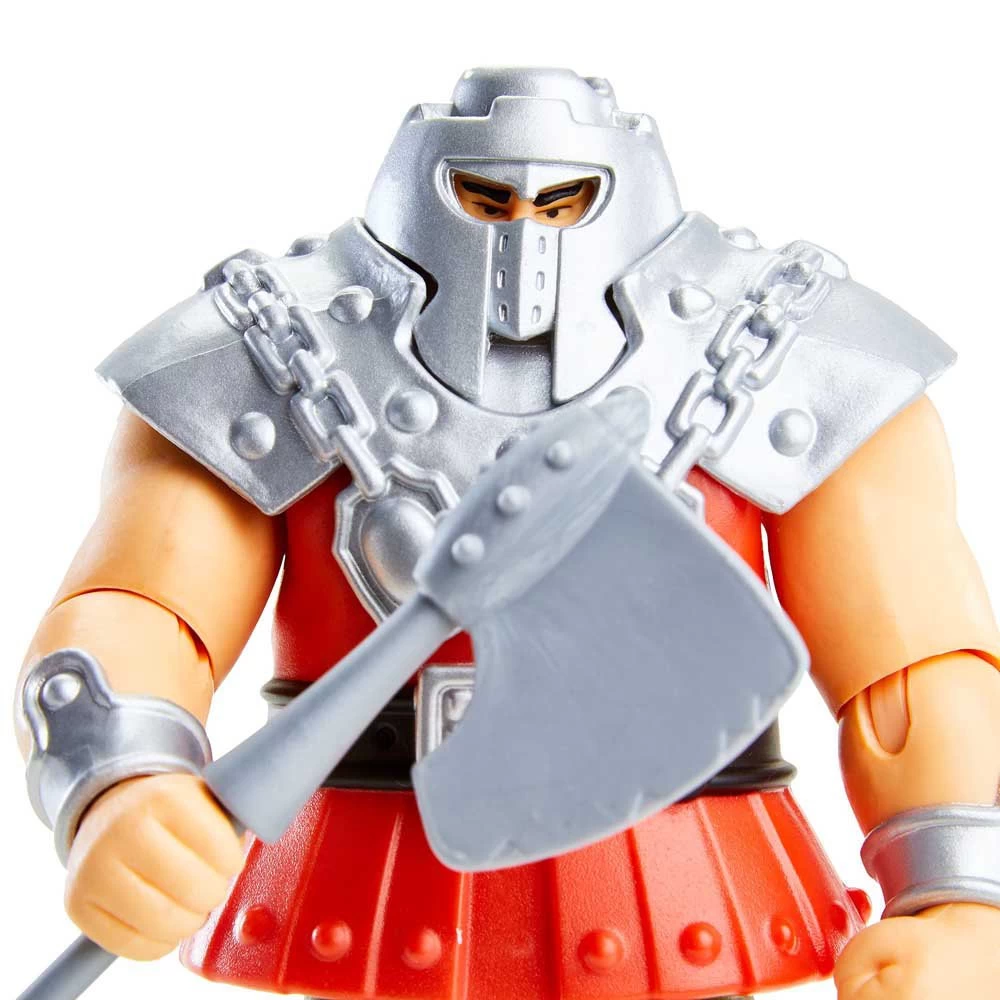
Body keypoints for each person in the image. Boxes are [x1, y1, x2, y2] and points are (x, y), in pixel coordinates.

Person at [16, 67, 1000, 1000]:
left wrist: (965, 896)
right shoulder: (268, 348)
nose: (525, 232)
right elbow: (140, 606)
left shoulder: (794, 350)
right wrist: (121, 780)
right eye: (488, 200)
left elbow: (913, 664)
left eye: (562, 203)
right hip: (364, 869)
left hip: (675, 875)